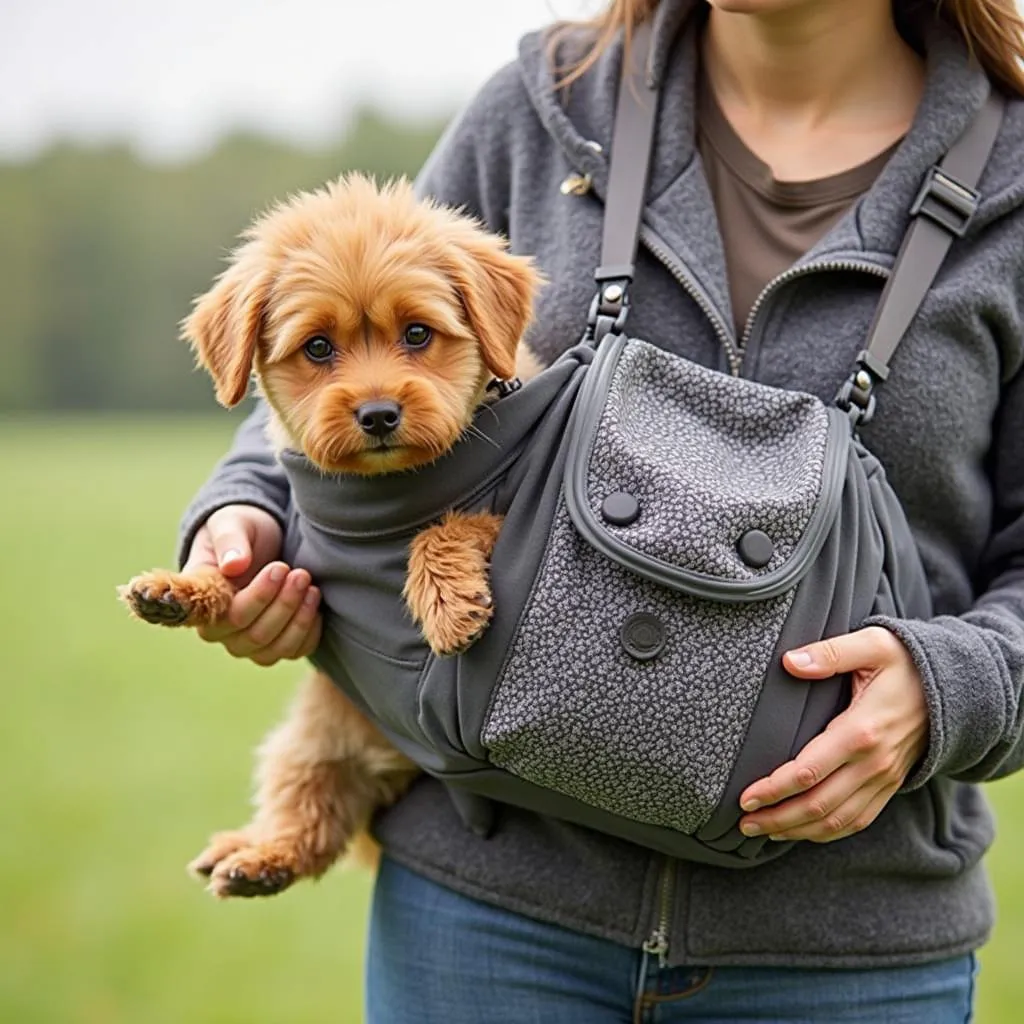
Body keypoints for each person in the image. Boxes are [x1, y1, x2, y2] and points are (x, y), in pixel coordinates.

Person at [177, 1, 1024, 1020]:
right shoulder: (547, 106)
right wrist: (242, 521)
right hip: (488, 923)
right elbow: (325, 377)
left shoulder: (1011, 177)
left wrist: (942, 692)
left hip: (844, 945)